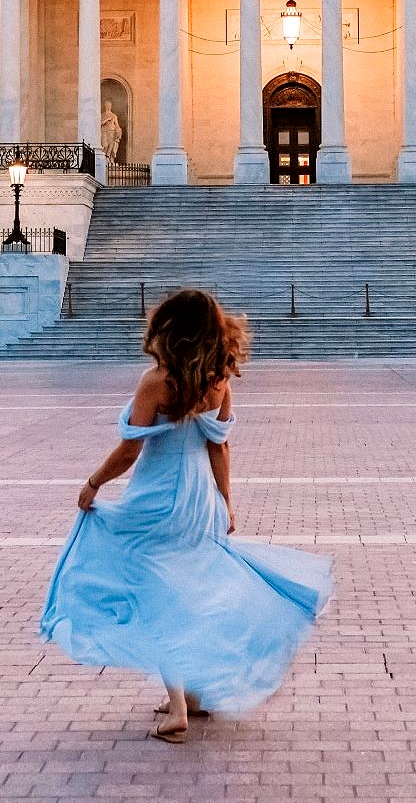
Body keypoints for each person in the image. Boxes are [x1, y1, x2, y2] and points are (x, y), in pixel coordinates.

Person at [41, 288, 332, 742]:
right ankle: (193, 695)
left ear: (169, 328)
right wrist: (226, 501)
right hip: (199, 498)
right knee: (188, 590)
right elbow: (219, 446)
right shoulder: (219, 381)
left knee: (154, 594)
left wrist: (95, 482)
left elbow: (129, 449)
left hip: (157, 496)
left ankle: (177, 710)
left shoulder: (157, 380)